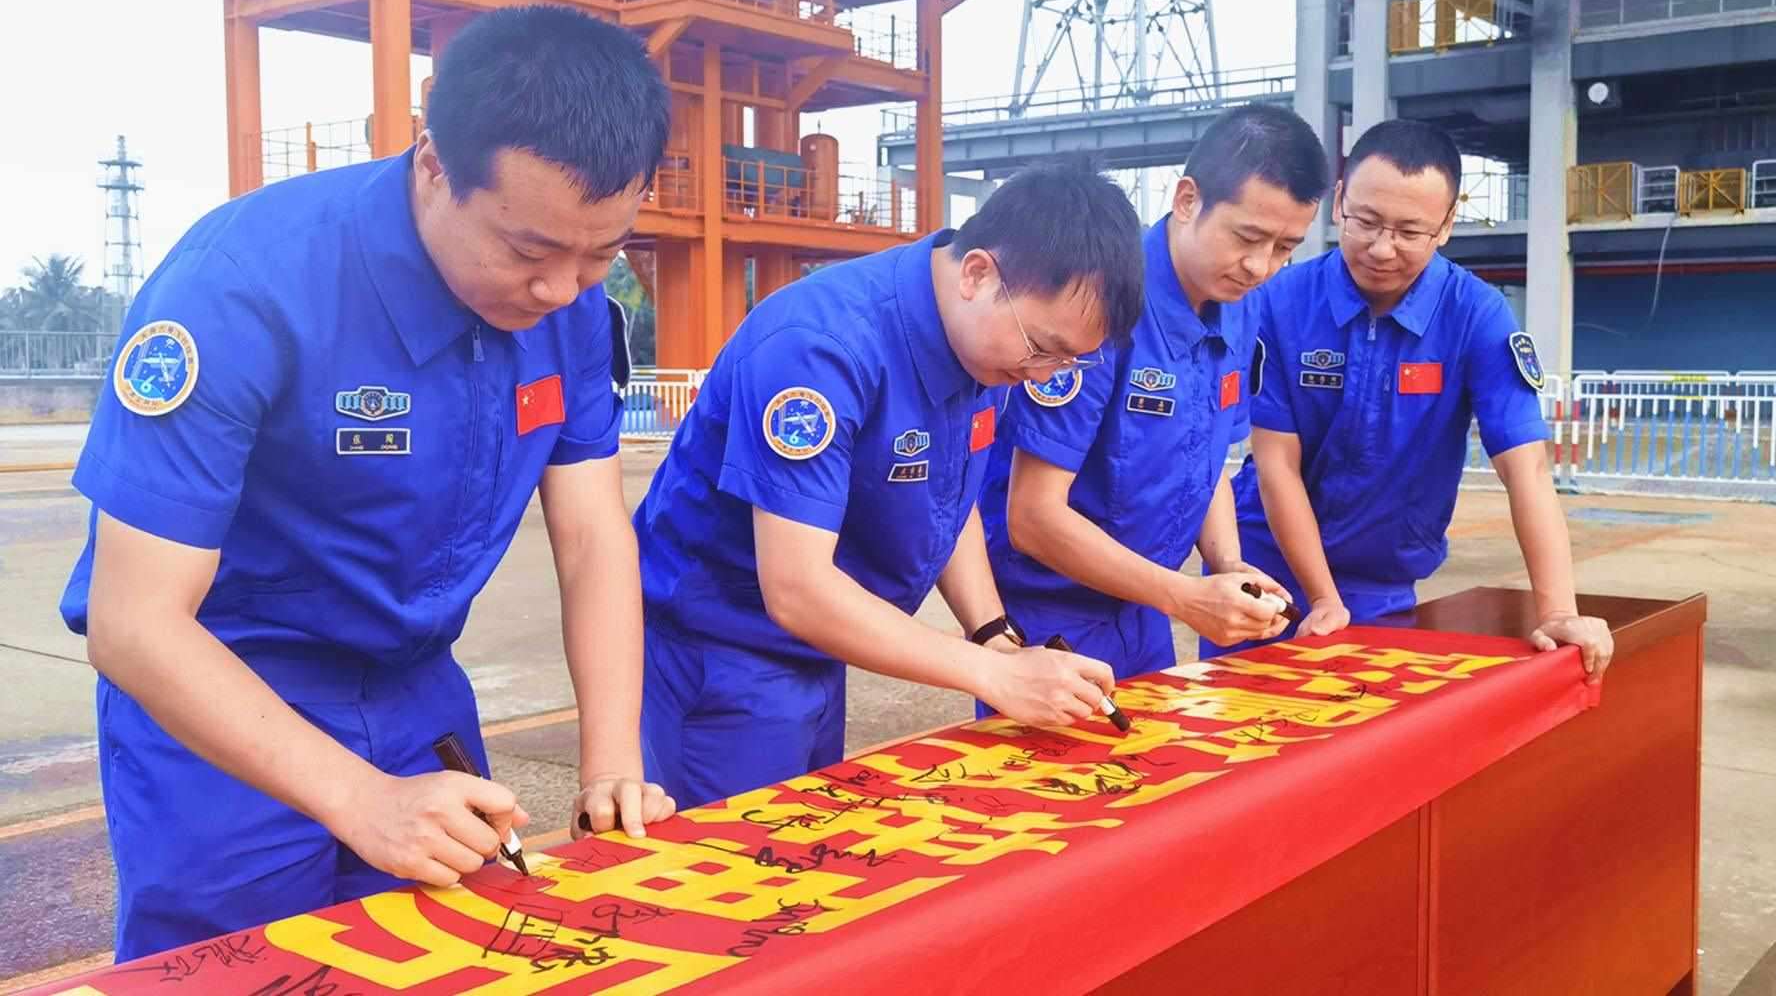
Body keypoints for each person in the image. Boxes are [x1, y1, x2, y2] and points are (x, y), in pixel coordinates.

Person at [63, 5, 675, 961]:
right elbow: (133, 622)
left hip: (417, 696)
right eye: (528, 252)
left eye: (601, 253)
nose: (560, 290)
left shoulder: (572, 311)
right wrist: (358, 797)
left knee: (452, 957)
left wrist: (611, 765)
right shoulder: (241, 288)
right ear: (433, 161)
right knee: (241, 970)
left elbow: (594, 537)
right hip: (225, 708)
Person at [632, 162, 1145, 807]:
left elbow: (949, 498)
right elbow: (797, 589)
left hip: (822, 645)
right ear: (978, 274)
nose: (1044, 374)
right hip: (724, 650)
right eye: (1043, 348)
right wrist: (990, 675)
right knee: (743, 856)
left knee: (808, 837)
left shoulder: (985, 351)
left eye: (1067, 360)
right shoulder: (820, 348)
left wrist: (994, 636)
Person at [1207, 119, 1614, 680]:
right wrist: (1323, 598)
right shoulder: (1280, 302)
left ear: (1446, 226)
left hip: (1380, 579)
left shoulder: (1475, 315)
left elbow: (1527, 470)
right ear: (1339, 201)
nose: (1381, 248)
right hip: (1264, 571)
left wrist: (1559, 612)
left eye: (1409, 231)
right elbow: (1278, 464)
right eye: (1365, 221)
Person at [980, 107, 1330, 681]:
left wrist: (1228, 563)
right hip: (1055, 618)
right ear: (1187, 200)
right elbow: (1033, 516)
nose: (1259, 266)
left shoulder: (1240, 308)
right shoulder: (1098, 301)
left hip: (1146, 607)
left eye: (1285, 247)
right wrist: (1183, 597)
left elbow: (1207, 459)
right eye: (1247, 237)